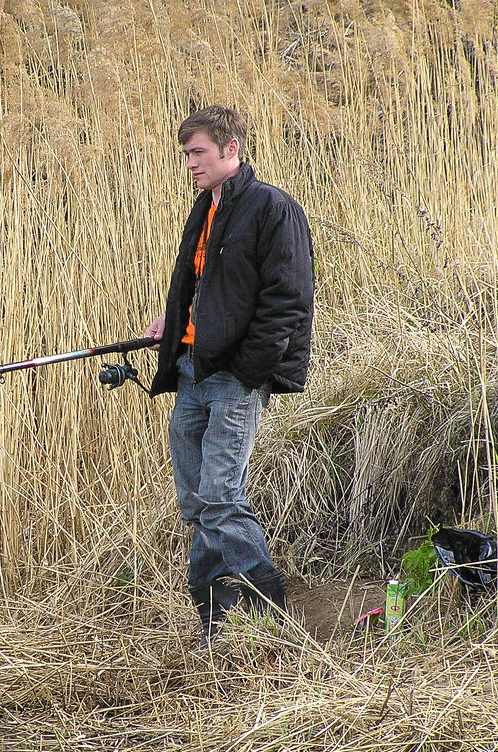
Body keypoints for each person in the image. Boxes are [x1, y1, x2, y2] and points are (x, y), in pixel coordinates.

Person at [144, 105, 314, 648]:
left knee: (219, 495)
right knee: (196, 503)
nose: (190, 163)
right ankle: (217, 627)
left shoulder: (272, 209)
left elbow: (287, 301)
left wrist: (249, 372)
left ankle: (271, 616)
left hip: (234, 377)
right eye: (186, 154)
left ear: (230, 149)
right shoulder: (206, 207)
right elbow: (205, 287)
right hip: (191, 369)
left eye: (198, 152)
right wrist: (171, 326)